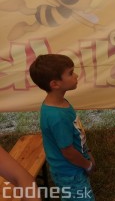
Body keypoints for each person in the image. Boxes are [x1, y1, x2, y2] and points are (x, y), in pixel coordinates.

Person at [29, 54, 96, 201]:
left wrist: (87, 152)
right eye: (70, 73)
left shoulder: (59, 103)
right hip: (70, 173)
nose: (76, 75)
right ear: (55, 84)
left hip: (71, 168)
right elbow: (68, 152)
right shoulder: (57, 117)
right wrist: (88, 165)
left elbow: (74, 135)